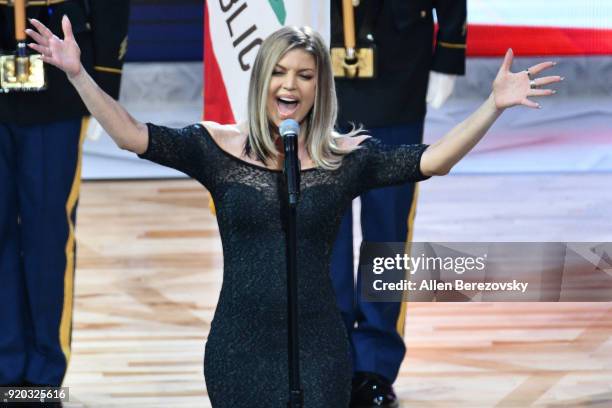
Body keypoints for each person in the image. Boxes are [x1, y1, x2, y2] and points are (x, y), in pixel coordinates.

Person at [25, 16, 560, 407]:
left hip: (321, 356)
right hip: (238, 351)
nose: (290, 85)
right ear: (262, 81)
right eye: (280, 72)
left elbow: (433, 161)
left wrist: (492, 106)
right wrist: (76, 73)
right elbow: (130, 135)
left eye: (305, 75)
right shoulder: (217, 147)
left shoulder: (343, 159)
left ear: (318, 88)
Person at [329, 1, 466, 405]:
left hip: (398, 57)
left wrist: (450, 49)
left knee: (387, 229)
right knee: (321, 228)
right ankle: (328, 356)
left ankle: (373, 363)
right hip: (312, 63)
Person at [0, 0, 129, 389]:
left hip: (57, 74)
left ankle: (41, 376)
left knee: (47, 236)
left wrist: (103, 83)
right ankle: (5, 370)